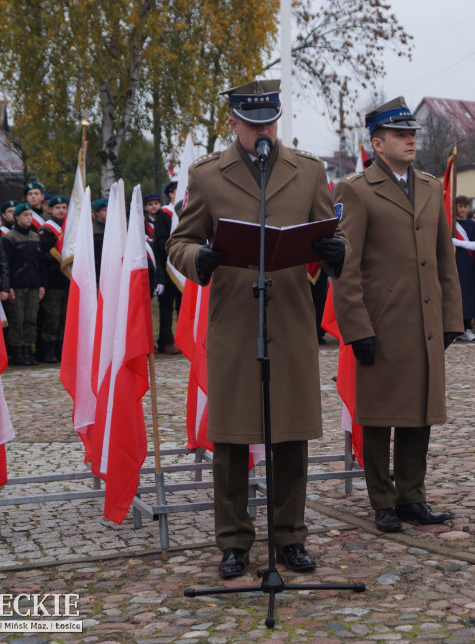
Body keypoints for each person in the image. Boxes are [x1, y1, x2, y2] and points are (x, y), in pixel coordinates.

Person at [166, 79, 344, 579]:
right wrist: (199, 256)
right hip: (234, 321)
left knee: (290, 432)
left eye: (269, 122)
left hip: (288, 318)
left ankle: (290, 537)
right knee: (232, 437)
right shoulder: (208, 176)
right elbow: (178, 242)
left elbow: (332, 232)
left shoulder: (308, 172)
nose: (262, 131)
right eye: (252, 124)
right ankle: (234, 543)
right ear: (233, 125)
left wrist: (336, 252)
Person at [332, 96, 461, 534]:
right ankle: (382, 500)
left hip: (425, 321)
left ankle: (413, 496)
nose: (410, 139)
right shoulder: (356, 189)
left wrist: (450, 319)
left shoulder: (430, 186)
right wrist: (356, 327)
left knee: (420, 412)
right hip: (382, 323)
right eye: (400, 134)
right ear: (377, 143)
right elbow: (345, 265)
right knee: (380, 415)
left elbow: (445, 258)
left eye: (412, 133)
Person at [0, 203, 46, 366]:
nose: (29, 218)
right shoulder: (10, 237)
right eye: (25, 215)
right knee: (17, 319)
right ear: (17, 217)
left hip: (33, 284)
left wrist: (41, 284)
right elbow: (7, 264)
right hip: (17, 285)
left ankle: (28, 349)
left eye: (30, 215)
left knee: (31, 318)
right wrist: (8, 286)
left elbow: (41, 264)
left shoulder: (35, 236)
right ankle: (17, 351)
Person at [38, 195, 69, 363]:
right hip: (52, 280)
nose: (61, 211)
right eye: (58, 208)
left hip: (67, 279)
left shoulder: (71, 227)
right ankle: (48, 348)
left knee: (65, 316)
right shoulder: (47, 229)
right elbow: (45, 254)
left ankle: (61, 347)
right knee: (52, 316)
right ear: (50, 209)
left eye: (64, 207)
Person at [153, 182, 182, 355]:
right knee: (166, 307)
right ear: (171, 194)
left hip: (183, 266)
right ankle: (166, 341)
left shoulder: (186, 211)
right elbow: (160, 242)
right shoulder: (163, 214)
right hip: (167, 265)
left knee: (183, 307)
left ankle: (183, 339)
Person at [451, 195, 475, 340]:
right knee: (454, 295)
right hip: (454, 263)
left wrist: (459, 242)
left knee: (467, 296)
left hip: (468, 263)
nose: (462, 209)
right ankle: (454, 329)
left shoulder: (471, 225)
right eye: (460, 206)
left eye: (465, 207)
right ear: (455, 206)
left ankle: (467, 327)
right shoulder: (449, 223)